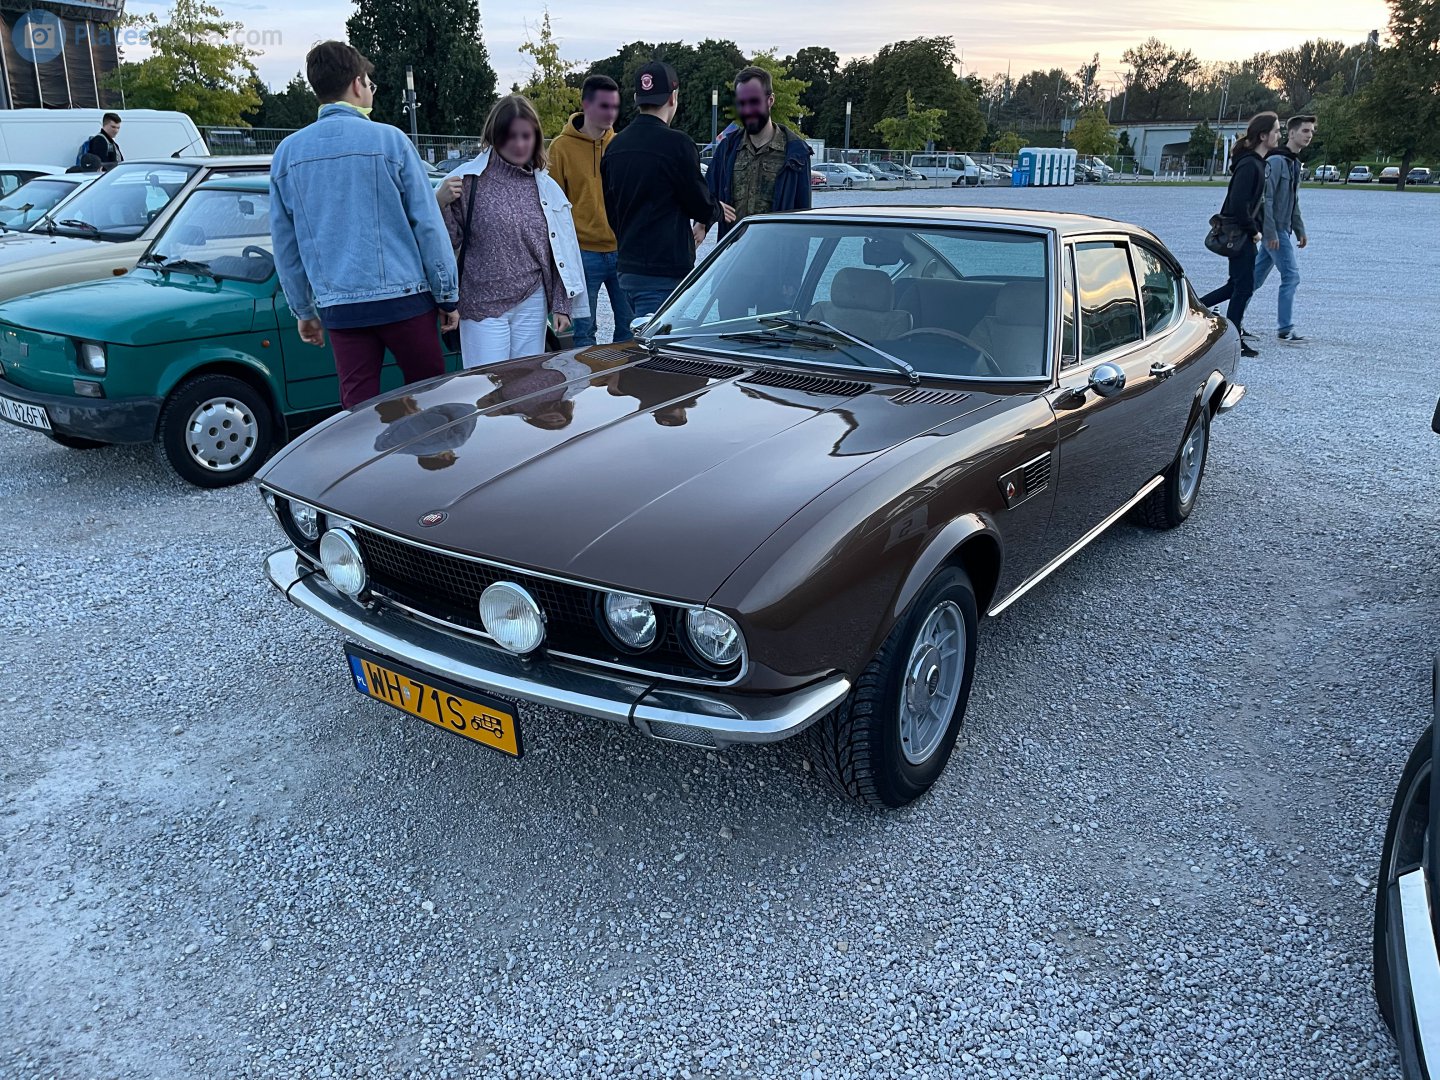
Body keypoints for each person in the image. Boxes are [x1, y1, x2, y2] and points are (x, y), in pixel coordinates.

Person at [270, 41, 459, 409]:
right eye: (370, 83)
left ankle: (366, 467)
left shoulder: (287, 154)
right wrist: (447, 294)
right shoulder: (391, 141)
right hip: (406, 299)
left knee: (357, 410)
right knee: (430, 399)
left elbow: (285, 243)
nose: (370, 89)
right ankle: (434, 464)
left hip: (340, 306)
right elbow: (428, 225)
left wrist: (304, 311)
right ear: (358, 84)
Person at [436, 94, 588, 368]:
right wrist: (441, 203)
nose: (519, 144)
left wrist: (561, 304)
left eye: (526, 136)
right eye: (510, 136)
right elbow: (449, 243)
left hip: (532, 301)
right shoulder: (467, 181)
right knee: (486, 389)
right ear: (495, 136)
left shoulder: (546, 187)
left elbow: (559, 251)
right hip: (481, 304)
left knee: (526, 386)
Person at [601, 60, 734, 320]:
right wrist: (715, 209)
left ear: (638, 98)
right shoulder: (678, 144)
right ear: (673, 97)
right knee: (659, 354)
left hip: (628, 269)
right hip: (664, 271)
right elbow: (697, 201)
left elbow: (611, 212)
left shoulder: (615, 147)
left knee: (638, 344)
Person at [548, 74, 634, 349]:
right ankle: (584, 390)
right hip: (582, 254)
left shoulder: (622, 145)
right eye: (604, 106)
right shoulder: (561, 148)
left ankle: (626, 387)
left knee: (630, 329)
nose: (611, 113)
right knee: (584, 333)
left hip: (622, 251)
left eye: (615, 106)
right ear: (586, 105)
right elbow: (552, 207)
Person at [1199, 112, 1281, 359]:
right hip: (1241, 235)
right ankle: (1232, 340)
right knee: (1243, 287)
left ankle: (1193, 310)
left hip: (1243, 234)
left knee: (1236, 285)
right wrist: (1253, 231)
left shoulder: (1256, 163)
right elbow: (1237, 204)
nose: (1279, 135)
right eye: (1276, 131)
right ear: (1263, 136)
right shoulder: (1250, 165)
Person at [702, 65, 812, 240]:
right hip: (733, 255)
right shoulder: (727, 149)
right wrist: (702, 224)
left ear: (770, 100)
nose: (747, 111)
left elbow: (803, 219)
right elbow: (707, 195)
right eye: (741, 103)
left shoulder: (796, 154)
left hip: (777, 258)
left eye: (754, 102)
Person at [1253, 114, 1314, 345]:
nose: (1309, 135)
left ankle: (1232, 322)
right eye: (1305, 131)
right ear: (1292, 133)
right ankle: (1285, 329)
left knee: (1254, 279)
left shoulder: (1293, 162)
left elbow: (1293, 200)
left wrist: (1300, 229)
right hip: (1275, 231)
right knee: (1291, 276)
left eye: (1311, 132)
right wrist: (1269, 233)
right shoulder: (1277, 161)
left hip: (1284, 229)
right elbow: (1266, 199)